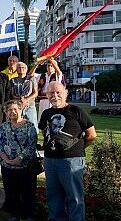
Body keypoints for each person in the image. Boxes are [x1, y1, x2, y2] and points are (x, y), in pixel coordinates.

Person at [39, 81, 96, 221]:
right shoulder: (46, 113)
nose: (55, 95)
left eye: (58, 92)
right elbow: (44, 132)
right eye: (51, 93)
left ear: (65, 93)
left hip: (71, 162)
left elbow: (91, 135)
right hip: (50, 161)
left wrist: (77, 149)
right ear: (47, 95)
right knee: (54, 197)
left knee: (75, 197)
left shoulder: (76, 111)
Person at [0, 100, 38, 221]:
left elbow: (31, 145)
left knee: (28, 192)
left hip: (26, 166)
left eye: (15, 109)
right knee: (11, 192)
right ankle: (15, 214)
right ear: (6, 112)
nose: (12, 112)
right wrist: (6, 159)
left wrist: (20, 158)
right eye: (9, 110)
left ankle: (29, 215)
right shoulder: (3, 126)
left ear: (21, 110)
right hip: (7, 166)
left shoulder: (29, 126)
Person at [33, 57, 65, 122]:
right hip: (43, 99)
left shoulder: (56, 75)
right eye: (48, 66)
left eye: (51, 66)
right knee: (42, 116)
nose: (50, 67)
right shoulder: (42, 76)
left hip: (53, 99)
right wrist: (36, 64)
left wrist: (51, 60)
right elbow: (31, 75)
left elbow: (59, 73)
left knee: (53, 117)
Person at [8, 62, 38, 128]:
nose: (21, 69)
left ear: (26, 69)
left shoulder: (32, 79)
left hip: (30, 106)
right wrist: (20, 99)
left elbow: (35, 93)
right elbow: (12, 94)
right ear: (16, 69)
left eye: (23, 68)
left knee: (32, 126)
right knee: (18, 126)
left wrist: (27, 99)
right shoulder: (12, 80)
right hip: (18, 107)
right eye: (19, 67)